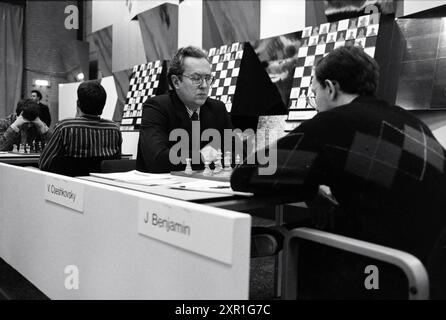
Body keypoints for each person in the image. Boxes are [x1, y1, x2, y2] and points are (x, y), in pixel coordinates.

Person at [231, 46, 446, 299]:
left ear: (330, 88)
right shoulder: (411, 122)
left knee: (303, 236)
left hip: (381, 270)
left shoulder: (334, 123)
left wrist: (309, 187)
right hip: (430, 266)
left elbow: (246, 173)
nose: (316, 103)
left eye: (314, 94)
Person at [136, 46, 235, 173]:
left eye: (208, 78)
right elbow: (158, 158)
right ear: (176, 81)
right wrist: (204, 156)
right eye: (196, 78)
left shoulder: (217, 108)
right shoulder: (156, 107)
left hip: (206, 186)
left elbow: (235, 151)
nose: (204, 85)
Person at [39, 81, 122, 176]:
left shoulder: (65, 127)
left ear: (78, 103)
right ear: (103, 105)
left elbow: (44, 163)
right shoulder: (114, 129)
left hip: (70, 187)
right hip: (103, 185)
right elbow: (116, 164)